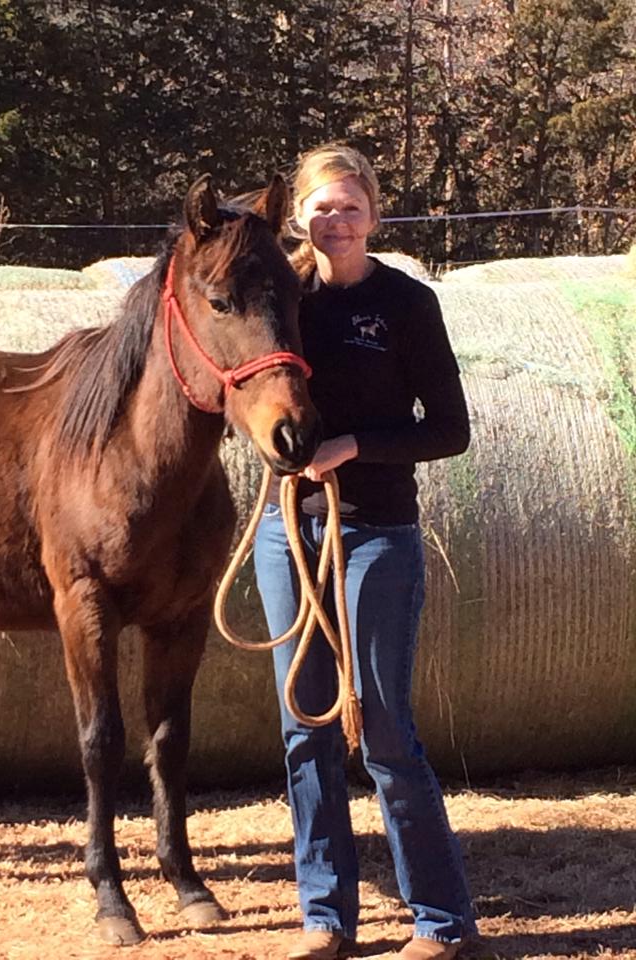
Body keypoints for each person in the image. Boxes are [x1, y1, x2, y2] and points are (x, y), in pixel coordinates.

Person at [253, 144, 477, 960]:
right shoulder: (280, 298)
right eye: (321, 208)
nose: (336, 221)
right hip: (287, 530)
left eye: (350, 207)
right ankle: (326, 918)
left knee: (383, 729)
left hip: (377, 532)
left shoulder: (406, 304)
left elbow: (448, 431)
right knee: (302, 728)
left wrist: (353, 446)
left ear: (373, 214)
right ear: (298, 218)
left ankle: (443, 924)